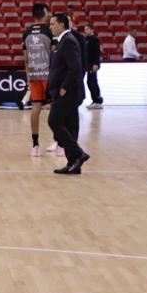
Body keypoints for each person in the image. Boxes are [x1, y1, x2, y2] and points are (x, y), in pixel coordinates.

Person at [47, 12, 89, 174]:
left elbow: (75, 67)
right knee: (70, 127)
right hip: (67, 92)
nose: (50, 27)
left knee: (54, 121)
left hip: (69, 92)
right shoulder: (63, 41)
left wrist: (64, 86)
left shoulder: (68, 41)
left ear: (62, 24)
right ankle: (74, 163)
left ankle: (78, 154)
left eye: (52, 24)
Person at [23, 3, 55, 157]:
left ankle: (35, 146)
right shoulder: (50, 31)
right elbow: (54, 54)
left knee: (35, 109)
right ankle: (59, 143)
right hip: (49, 75)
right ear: (43, 12)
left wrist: (29, 76)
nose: (50, 14)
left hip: (34, 75)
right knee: (55, 108)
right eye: (48, 11)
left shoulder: (27, 32)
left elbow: (25, 59)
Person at [82, 24, 103, 108]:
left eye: (87, 29)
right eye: (85, 29)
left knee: (92, 82)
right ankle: (95, 100)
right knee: (91, 82)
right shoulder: (86, 39)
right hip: (88, 64)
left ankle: (97, 101)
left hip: (93, 64)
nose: (85, 31)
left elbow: (97, 52)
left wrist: (96, 64)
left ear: (92, 30)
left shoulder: (94, 39)